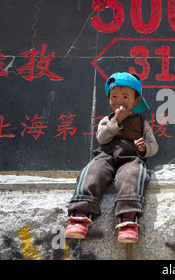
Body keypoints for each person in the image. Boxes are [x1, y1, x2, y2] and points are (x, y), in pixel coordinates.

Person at [65, 72, 158, 243]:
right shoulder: (106, 120)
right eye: (114, 96)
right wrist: (116, 121)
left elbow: (154, 146)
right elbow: (102, 138)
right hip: (106, 156)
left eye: (125, 96)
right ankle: (80, 213)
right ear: (109, 100)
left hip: (131, 158)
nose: (120, 101)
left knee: (132, 175)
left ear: (136, 101)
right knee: (92, 171)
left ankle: (128, 220)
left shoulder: (141, 122)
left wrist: (144, 148)